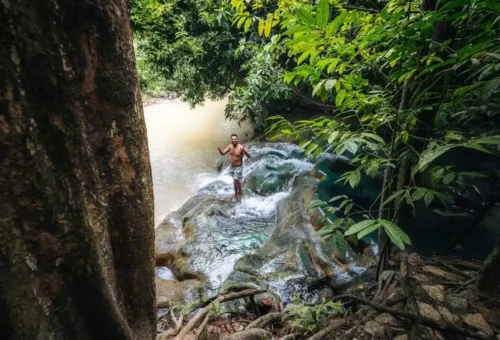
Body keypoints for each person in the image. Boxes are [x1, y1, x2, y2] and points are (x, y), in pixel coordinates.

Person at [218, 134, 251, 202]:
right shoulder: (230, 147)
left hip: (238, 166)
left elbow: (249, 156)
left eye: (235, 139)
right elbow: (223, 153)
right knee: (236, 179)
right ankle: (240, 191)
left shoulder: (240, 147)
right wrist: (219, 149)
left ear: (237, 139)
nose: (234, 140)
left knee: (235, 181)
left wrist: (245, 151)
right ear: (231, 140)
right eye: (232, 139)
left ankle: (235, 195)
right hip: (232, 166)